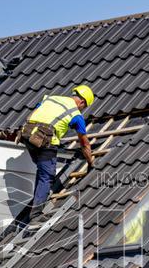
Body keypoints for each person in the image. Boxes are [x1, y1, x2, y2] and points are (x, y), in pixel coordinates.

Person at [19, 85, 95, 223]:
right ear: (82, 102)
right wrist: (90, 163)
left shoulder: (51, 98)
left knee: (42, 171)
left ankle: (37, 200)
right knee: (47, 175)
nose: (82, 110)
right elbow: (84, 143)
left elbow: (32, 115)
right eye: (83, 107)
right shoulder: (76, 115)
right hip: (45, 142)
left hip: (27, 135)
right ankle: (36, 214)